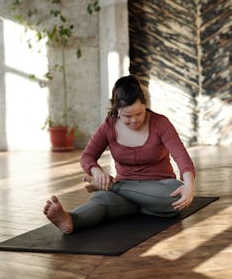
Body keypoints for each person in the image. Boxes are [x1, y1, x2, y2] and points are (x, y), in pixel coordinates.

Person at [43, 75, 196, 234]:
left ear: (145, 105)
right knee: (102, 201)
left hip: (159, 188)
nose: (134, 120)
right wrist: (96, 171)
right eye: (127, 116)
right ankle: (69, 220)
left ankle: (115, 187)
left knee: (176, 195)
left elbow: (182, 158)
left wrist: (189, 185)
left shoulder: (160, 123)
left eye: (139, 113)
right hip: (127, 195)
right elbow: (87, 156)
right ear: (117, 111)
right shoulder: (109, 126)